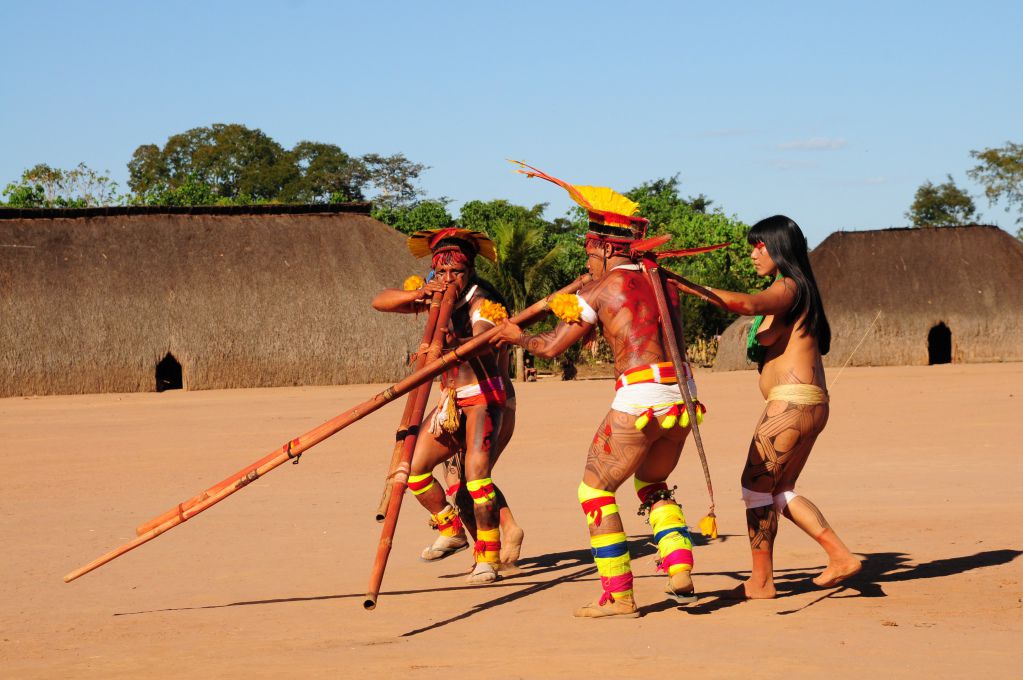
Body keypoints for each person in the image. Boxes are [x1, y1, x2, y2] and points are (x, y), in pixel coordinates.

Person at [493, 164, 705, 618]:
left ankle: (619, 594)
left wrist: (514, 337)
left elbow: (550, 347)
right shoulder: (663, 281)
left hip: (640, 397)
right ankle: (679, 564)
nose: (586, 262)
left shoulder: (603, 288)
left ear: (605, 248)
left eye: (589, 252)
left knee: (595, 491)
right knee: (652, 484)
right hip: (683, 398)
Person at [670, 214, 861, 598]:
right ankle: (779, 575)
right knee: (777, 488)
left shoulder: (789, 287)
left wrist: (688, 286)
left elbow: (746, 304)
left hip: (792, 404)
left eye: (760, 245)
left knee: (755, 486)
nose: (754, 253)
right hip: (804, 403)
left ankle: (780, 574)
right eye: (752, 246)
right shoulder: (793, 289)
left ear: (780, 248)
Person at [372, 227, 523, 584]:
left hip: (485, 397)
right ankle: (451, 528)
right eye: (441, 272)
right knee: (413, 469)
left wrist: (449, 343)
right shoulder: (433, 294)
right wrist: (420, 293)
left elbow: (485, 338)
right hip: (450, 400)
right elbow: (380, 300)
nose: (449, 278)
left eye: (456, 272)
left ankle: (488, 556)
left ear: (469, 272)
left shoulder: (481, 300)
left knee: (476, 477)